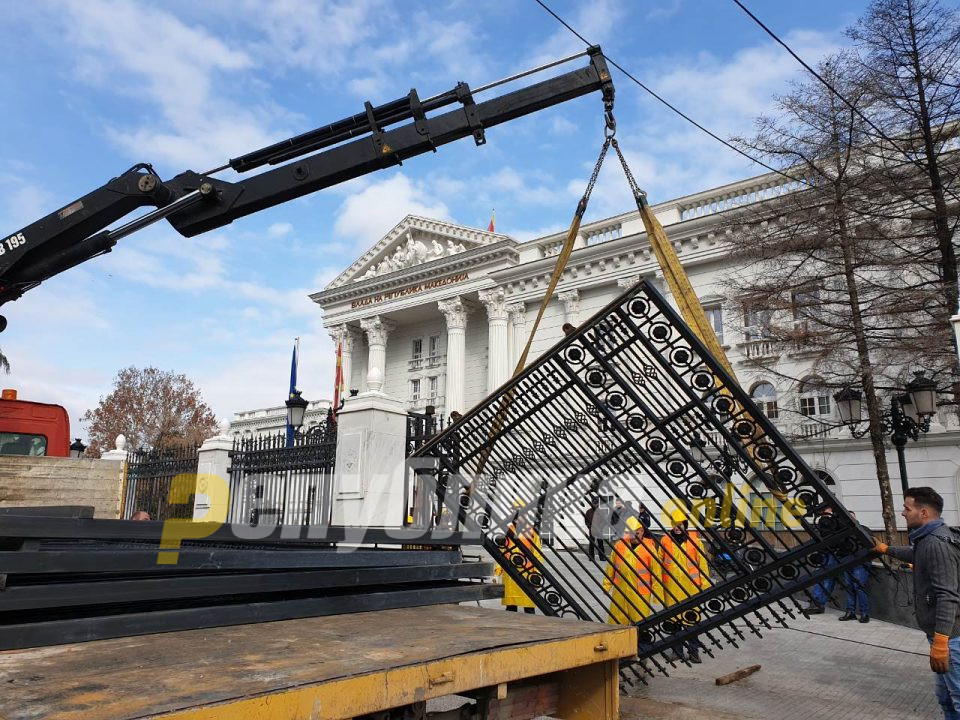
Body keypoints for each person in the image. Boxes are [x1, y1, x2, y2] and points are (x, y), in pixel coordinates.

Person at [875, 487, 960, 719]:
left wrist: (942, 640)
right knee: (946, 698)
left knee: (958, 697)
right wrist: (887, 549)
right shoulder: (930, 539)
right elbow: (917, 555)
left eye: (907, 508)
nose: (903, 513)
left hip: (950, 637)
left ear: (923, 513)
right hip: (943, 636)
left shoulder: (936, 543)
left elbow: (947, 595)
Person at [661, 508, 710, 663]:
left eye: (680, 524)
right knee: (674, 621)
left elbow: (702, 563)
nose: (677, 527)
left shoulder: (695, 541)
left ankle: (694, 651)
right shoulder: (665, 540)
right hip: (672, 587)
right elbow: (659, 563)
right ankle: (677, 652)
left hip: (691, 587)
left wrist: (705, 584)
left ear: (685, 524)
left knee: (691, 621)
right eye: (674, 524)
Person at [603, 516, 663, 625]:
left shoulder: (649, 548)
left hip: (640, 593)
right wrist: (606, 585)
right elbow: (610, 567)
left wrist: (657, 594)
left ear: (641, 531)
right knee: (617, 621)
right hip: (620, 591)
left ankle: (639, 641)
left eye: (635, 533)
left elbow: (656, 573)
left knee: (640, 622)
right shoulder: (620, 545)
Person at [494, 508, 542, 615]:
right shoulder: (508, 532)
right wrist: (498, 570)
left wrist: (537, 572)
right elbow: (502, 551)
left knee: (528, 603)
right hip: (510, 570)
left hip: (527, 571)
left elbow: (537, 554)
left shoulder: (532, 532)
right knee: (511, 605)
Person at [839, 511, 872, 623]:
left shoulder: (863, 529)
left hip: (860, 563)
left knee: (859, 587)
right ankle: (850, 611)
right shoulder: (843, 532)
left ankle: (864, 613)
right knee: (849, 587)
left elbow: (871, 544)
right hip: (847, 562)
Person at [805, 506, 839, 614]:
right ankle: (815, 601)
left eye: (826, 510)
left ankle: (819, 603)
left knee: (828, 578)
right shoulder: (821, 521)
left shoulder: (836, 520)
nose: (824, 512)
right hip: (823, 552)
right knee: (819, 577)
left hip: (833, 552)